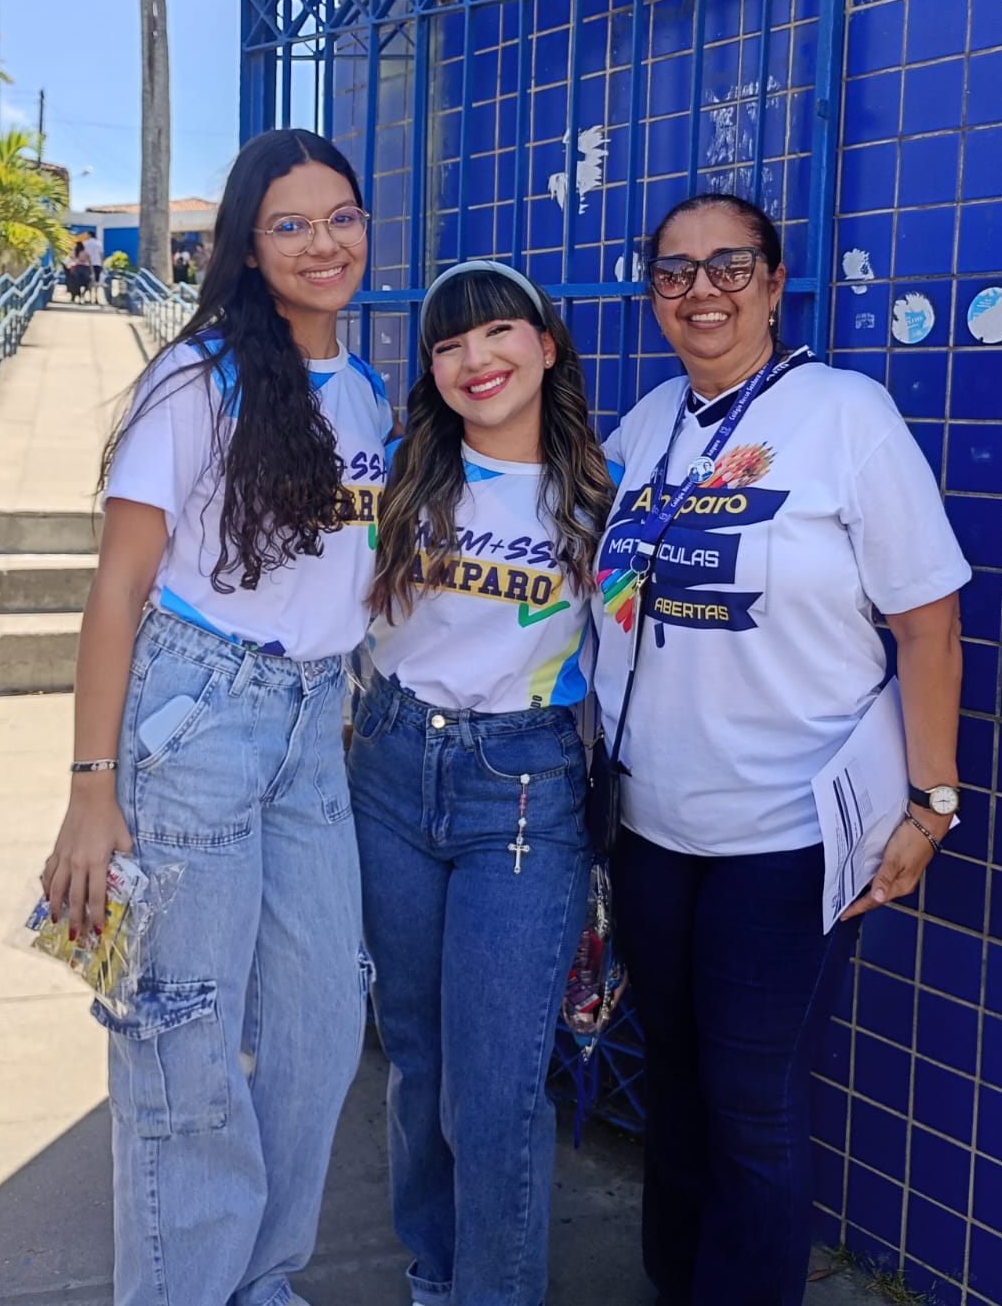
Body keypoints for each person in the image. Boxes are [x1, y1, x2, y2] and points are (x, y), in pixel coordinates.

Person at [594, 192, 970, 1306]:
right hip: (651, 829)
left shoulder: (846, 416)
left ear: (771, 284)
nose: (700, 290)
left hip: (789, 840)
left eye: (728, 265)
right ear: (652, 294)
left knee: (753, 1105)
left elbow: (930, 625)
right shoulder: (648, 425)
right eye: (673, 272)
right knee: (672, 1085)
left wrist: (930, 804)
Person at [41, 128, 390, 1306]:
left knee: (319, 1025)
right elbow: (118, 588)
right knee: (182, 1032)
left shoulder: (364, 392)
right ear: (246, 245)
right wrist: (92, 790)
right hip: (197, 722)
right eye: (290, 224)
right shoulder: (197, 379)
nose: (321, 243)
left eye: (339, 217)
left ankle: (260, 1280)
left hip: (311, 730)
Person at [349, 259, 613, 1306]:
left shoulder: (599, 492)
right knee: (415, 1058)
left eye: (498, 332)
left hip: (522, 788)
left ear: (545, 345)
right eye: (449, 344)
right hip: (390, 767)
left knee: (495, 1086)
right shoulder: (398, 472)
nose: (475, 359)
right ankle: (436, 1275)